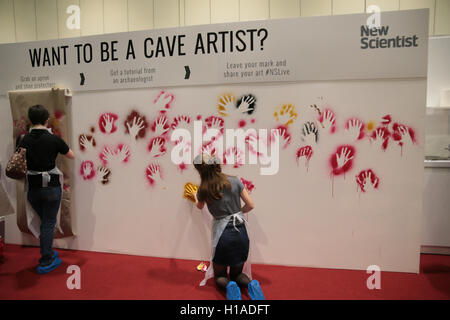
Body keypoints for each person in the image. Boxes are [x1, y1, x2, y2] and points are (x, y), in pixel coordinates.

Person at [191, 153, 265, 300]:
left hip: (222, 237)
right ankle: (251, 285)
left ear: (200, 171)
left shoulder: (203, 190)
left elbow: (199, 207)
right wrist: (238, 212)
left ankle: (230, 287)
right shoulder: (235, 181)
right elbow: (250, 205)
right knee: (237, 274)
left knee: (220, 275)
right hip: (241, 233)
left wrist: (195, 195)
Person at [17, 105, 74, 274]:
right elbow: (71, 154)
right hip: (51, 188)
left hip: (33, 189)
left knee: (45, 223)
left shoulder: (24, 139)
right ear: (46, 120)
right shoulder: (53, 139)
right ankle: (46, 260)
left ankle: (47, 252)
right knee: (48, 224)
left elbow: (19, 158)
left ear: (30, 120)